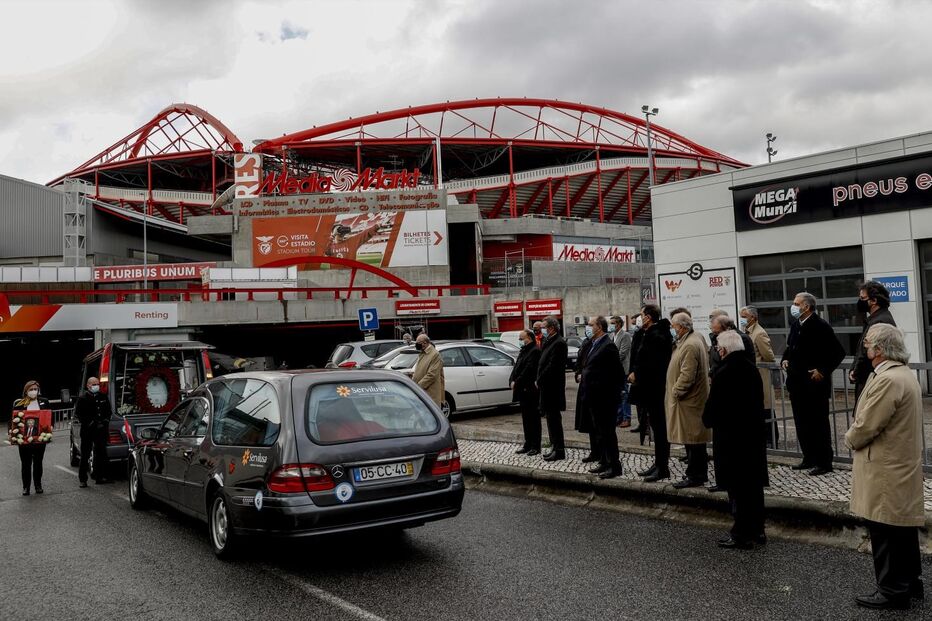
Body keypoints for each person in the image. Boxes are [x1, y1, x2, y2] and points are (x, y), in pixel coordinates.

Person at [845, 324, 924, 610]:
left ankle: (892, 589)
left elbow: (868, 424)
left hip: (885, 466)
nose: (865, 349)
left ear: (879, 349)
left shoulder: (888, 379)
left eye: (867, 345)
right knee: (901, 528)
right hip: (897, 462)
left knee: (885, 530)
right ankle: (910, 582)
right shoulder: (903, 375)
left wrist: (850, 438)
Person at [702, 330, 768, 549]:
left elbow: (713, 408)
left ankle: (741, 533)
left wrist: (707, 418)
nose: (718, 352)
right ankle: (758, 530)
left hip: (731, 439)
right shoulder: (751, 368)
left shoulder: (724, 372)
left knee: (737, 489)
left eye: (719, 349)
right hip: (752, 438)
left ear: (724, 350)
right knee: (753, 488)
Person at [781, 292, 845, 476]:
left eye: (795, 303)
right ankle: (808, 457)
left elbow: (837, 352)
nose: (792, 307)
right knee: (802, 423)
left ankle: (824, 462)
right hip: (796, 383)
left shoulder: (820, 326)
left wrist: (822, 371)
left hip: (814, 385)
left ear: (806, 307)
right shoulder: (795, 325)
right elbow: (789, 347)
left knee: (818, 424)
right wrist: (785, 360)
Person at [666, 312, 711, 489]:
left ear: (682, 327)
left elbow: (688, 374)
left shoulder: (690, 344)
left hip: (689, 401)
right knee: (692, 440)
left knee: (694, 441)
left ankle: (696, 475)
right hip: (689, 401)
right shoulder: (689, 339)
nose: (672, 329)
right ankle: (695, 473)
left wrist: (676, 391)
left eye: (674, 326)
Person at [632, 305, 674, 481]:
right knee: (655, 428)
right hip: (649, 388)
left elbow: (652, 364)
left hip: (655, 389)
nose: (640, 318)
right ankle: (658, 463)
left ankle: (662, 467)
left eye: (642, 315)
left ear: (648, 317)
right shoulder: (648, 333)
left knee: (660, 429)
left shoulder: (657, 336)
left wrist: (638, 374)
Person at [580, 316, 623, 478]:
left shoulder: (608, 346)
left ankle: (614, 466)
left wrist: (610, 395)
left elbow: (617, 374)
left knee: (608, 433)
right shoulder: (594, 344)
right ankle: (604, 462)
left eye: (590, 325)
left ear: (599, 327)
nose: (588, 327)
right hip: (593, 398)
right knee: (600, 433)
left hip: (605, 399)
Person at [849, 281, 896, 403]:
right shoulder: (873, 319)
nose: (860, 301)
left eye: (862, 298)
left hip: (871, 380)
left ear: (874, 300)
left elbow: (868, 352)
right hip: (868, 378)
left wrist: (856, 372)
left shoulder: (879, 321)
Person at [740, 306, 779, 448]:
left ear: (753, 318)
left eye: (744, 316)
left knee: (766, 407)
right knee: (759, 407)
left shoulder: (759, 333)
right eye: (741, 316)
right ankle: (763, 437)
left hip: (762, 375)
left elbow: (769, 356)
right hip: (753, 376)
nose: (742, 319)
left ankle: (771, 439)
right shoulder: (747, 332)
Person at [536, 315, 568, 461]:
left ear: (552, 328)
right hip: (547, 387)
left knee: (554, 419)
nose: (543, 329)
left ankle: (559, 449)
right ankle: (554, 446)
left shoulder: (559, 343)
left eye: (544, 327)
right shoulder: (549, 341)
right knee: (550, 419)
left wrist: (540, 379)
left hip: (553, 387)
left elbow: (552, 366)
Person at [12, 380, 50, 495]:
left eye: (35, 389)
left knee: (38, 463)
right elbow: (13, 419)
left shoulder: (44, 402)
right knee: (26, 464)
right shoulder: (19, 403)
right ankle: (26, 487)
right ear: (26, 391)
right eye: (31, 389)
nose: (34, 391)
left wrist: (49, 429)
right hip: (24, 439)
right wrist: (14, 434)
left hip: (39, 438)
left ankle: (38, 485)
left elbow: (49, 417)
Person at [73, 376, 112, 486]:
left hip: (100, 430)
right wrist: (90, 423)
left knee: (100, 454)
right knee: (85, 455)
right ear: (88, 385)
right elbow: (79, 414)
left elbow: (108, 411)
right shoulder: (83, 398)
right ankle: (83, 479)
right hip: (88, 430)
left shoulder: (103, 396)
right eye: (94, 384)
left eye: (97, 384)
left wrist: (105, 421)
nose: (96, 386)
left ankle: (99, 477)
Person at [510, 330, 542, 456]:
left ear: (529, 337)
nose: (520, 340)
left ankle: (535, 445)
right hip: (522, 390)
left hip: (530, 390)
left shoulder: (535, 351)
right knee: (526, 419)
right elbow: (516, 367)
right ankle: (528, 443)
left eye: (521, 338)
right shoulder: (523, 350)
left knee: (533, 419)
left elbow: (528, 370)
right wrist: (512, 380)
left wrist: (517, 382)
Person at [574, 332, 597, 462]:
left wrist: (584, 374)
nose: (588, 329)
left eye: (591, 325)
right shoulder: (587, 343)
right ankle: (594, 451)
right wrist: (578, 373)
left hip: (592, 387)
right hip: (585, 386)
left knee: (596, 425)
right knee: (589, 422)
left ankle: (599, 453)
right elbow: (580, 360)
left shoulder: (603, 345)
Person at [610, 315, 632, 428]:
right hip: (614, 371)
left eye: (612, 323)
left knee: (624, 394)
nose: (611, 325)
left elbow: (622, 353)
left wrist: (610, 361)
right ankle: (619, 417)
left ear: (618, 324)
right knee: (617, 395)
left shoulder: (625, 335)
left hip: (622, 369)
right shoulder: (612, 336)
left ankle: (626, 418)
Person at [412, 334, 445, 408]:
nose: (417, 345)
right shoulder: (423, 353)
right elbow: (420, 370)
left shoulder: (435, 355)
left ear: (424, 343)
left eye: (418, 343)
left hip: (430, 394)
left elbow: (432, 375)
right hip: (423, 393)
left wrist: (418, 386)